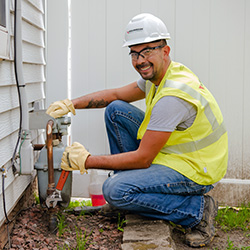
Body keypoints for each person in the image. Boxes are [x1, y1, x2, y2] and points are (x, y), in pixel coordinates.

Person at [46, 13, 228, 247]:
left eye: (147, 51)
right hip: (176, 157)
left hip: (196, 170)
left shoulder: (173, 96)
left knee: (114, 189)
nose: (140, 60)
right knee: (116, 110)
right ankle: (127, 202)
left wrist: (86, 160)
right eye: (134, 52)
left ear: (165, 50)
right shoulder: (162, 75)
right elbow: (115, 96)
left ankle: (197, 210)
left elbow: (143, 159)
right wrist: (71, 104)